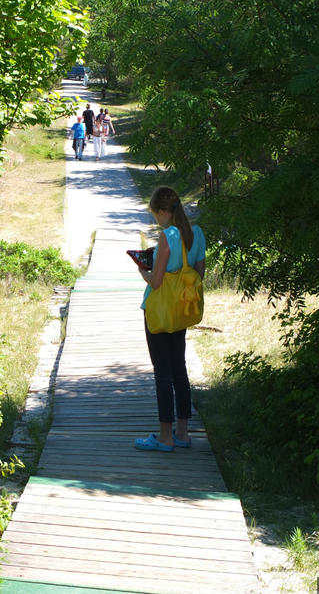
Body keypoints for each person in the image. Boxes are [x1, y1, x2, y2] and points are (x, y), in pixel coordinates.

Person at [134, 186, 206, 452]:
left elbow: (157, 280)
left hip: (160, 310)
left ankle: (164, 437)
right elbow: (199, 275)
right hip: (181, 311)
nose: (156, 219)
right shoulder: (196, 234)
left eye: (156, 214)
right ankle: (183, 433)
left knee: (162, 372)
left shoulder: (168, 236)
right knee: (179, 369)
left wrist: (143, 268)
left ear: (164, 211)